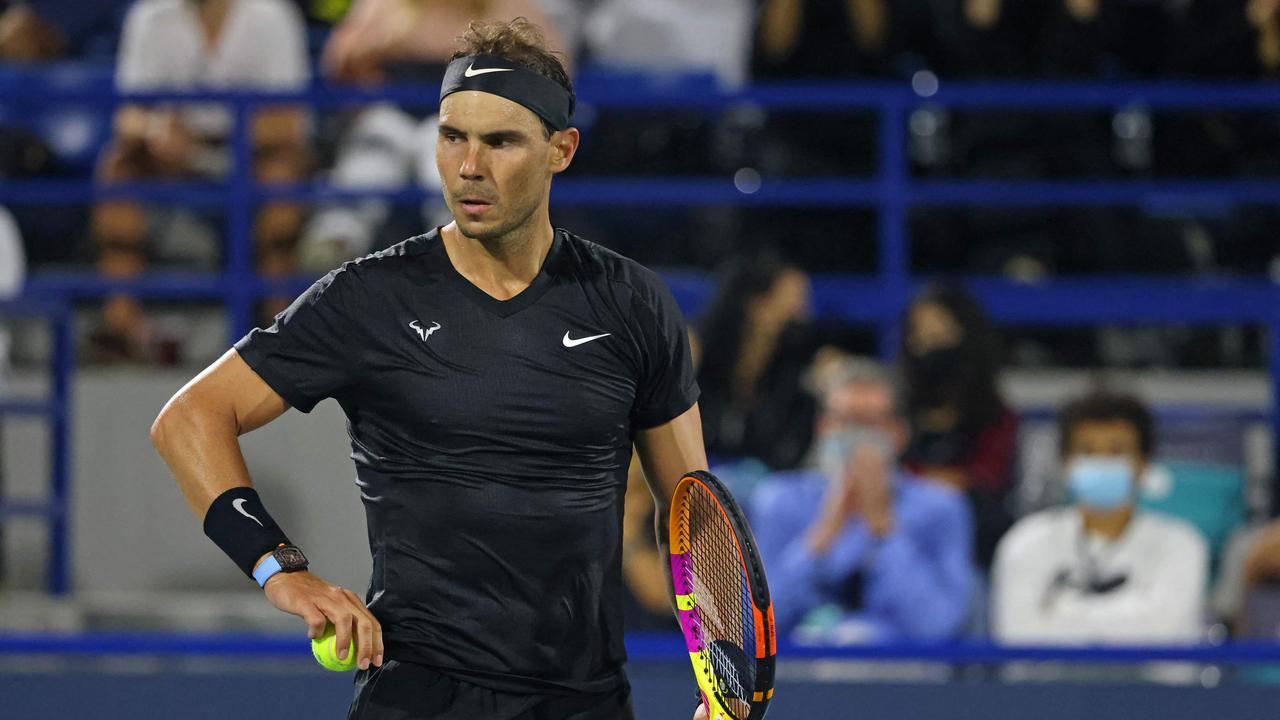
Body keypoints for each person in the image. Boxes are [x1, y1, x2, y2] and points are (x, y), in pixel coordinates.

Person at [150, 18, 710, 720]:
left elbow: (693, 510)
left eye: (500, 141)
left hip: (583, 701)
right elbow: (190, 419)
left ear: (560, 150)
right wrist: (279, 569)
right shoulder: (369, 296)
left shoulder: (632, 303)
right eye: (452, 137)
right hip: (416, 698)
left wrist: (719, 676)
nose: (469, 166)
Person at [89, 0, 311, 362]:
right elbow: (127, 114)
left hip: (252, 153)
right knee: (117, 168)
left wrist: (220, 134)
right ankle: (121, 327)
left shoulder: (274, 16)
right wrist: (154, 129)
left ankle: (279, 328)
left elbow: (287, 122)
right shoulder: (148, 17)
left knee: (282, 175)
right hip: (173, 156)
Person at [752, 356, 974, 643]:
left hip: (905, 677)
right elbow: (755, 627)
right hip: (800, 675)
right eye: (846, 421)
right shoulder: (779, 501)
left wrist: (885, 530)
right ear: (824, 427)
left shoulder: (940, 508)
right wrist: (820, 538)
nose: (856, 438)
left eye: (870, 423)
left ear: (898, 433)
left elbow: (939, 626)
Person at [992, 391, 1208, 644]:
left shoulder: (1181, 544)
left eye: (1117, 451)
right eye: (1087, 451)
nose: (1102, 462)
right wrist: (1133, 610)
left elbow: (1165, 635)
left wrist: (1063, 610)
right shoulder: (1025, 542)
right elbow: (1019, 637)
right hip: (1052, 685)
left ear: (1143, 463)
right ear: (1065, 464)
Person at [695, 254, 817, 470]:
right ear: (756, 304)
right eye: (794, 300)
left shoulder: (799, 370)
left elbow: (788, 449)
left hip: (767, 480)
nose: (803, 312)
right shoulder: (697, 359)